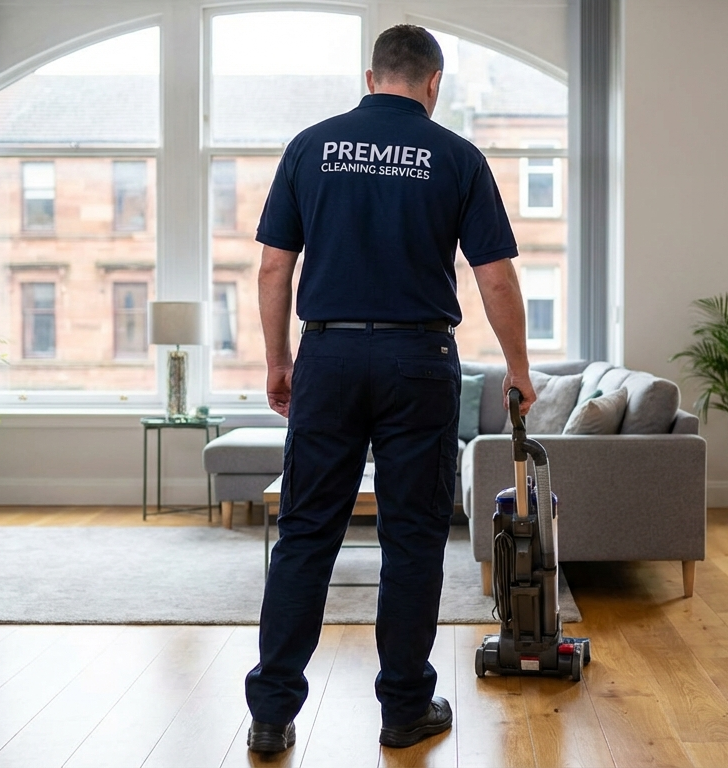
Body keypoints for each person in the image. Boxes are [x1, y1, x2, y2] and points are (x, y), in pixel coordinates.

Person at [243, 24, 537, 753]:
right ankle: (405, 708)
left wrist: (280, 361)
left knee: (306, 536)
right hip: (420, 360)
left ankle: (273, 714)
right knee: (412, 540)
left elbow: (274, 269)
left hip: (329, 356)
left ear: (371, 77)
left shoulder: (312, 146)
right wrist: (520, 368)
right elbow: (494, 275)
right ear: (434, 84)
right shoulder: (458, 156)